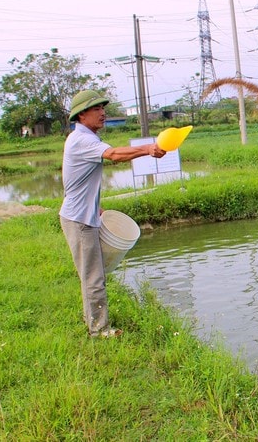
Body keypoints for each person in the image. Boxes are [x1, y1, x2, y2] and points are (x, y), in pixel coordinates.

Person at [59, 90, 166, 338]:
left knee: (93, 273)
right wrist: (148, 148)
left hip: (85, 214)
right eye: (96, 109)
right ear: (82, 114)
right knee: (94, 276)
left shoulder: (83, 138)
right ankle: (99, 330)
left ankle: (93, 319)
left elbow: (78, 182)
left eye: (102, 108)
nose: (103, 113)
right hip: (79, 220)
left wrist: (95, 207)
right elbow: (114, 155)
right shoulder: (82, 140)